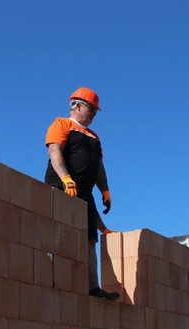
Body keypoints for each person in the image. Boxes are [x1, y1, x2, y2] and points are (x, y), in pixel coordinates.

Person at [44, 87, 120, 300]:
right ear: (78, 106)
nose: (94, 115)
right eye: (92, 109)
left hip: (84, 193)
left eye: (96, 111)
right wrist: (65, 178)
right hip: (61, 188)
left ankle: (93, 289)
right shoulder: (62, 124)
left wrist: (104, 190)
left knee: (90, 241)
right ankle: (53, 282)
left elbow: (98, 166)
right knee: (60, 235)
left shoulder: (94, 137)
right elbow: (54, 151)